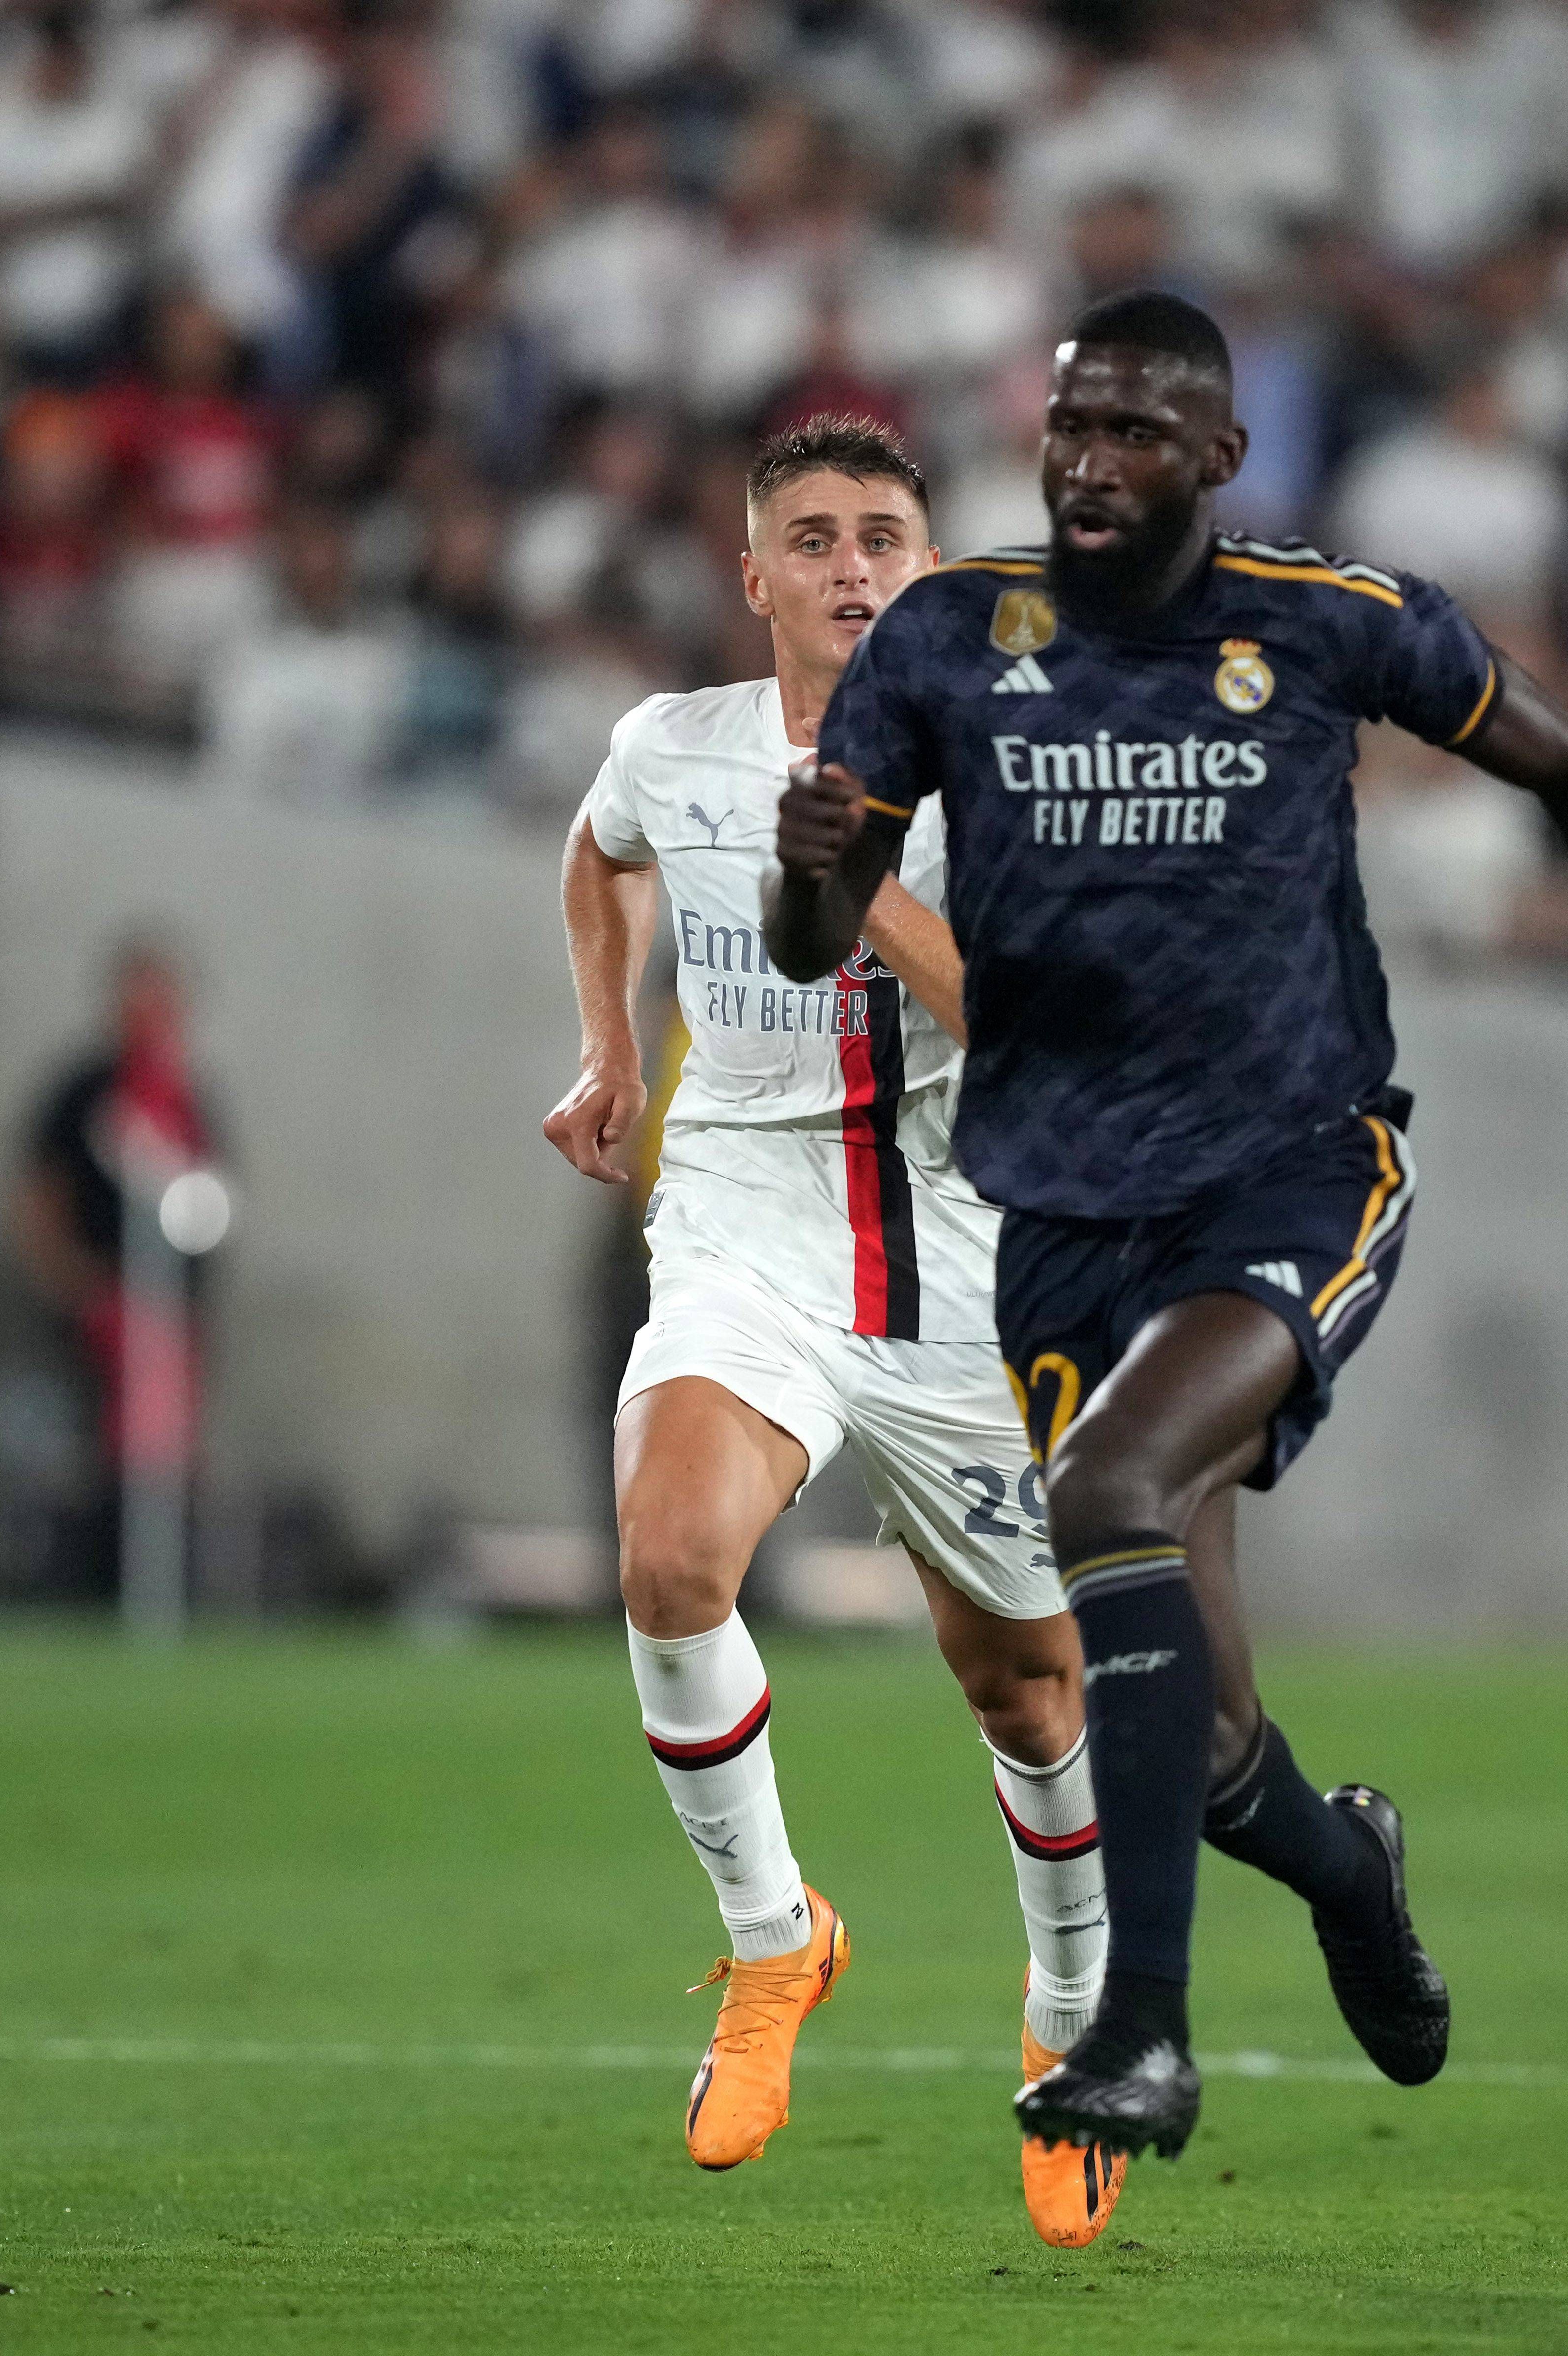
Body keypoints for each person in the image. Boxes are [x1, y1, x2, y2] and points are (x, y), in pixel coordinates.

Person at [769, 290, 1568, 2160]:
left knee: (1108, 1496)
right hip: (1064, 1204)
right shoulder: (946, 637)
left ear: (1221, 459)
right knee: (1212, 1732)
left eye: (1137, 432)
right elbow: (814, 939)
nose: (1090, 461)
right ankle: (1349, 1868)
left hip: (1294, 1169)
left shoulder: (1331, 622)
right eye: (1069, 424)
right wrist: (812, 869)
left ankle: (1144, 2037)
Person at [543, 413, 1119, 2246]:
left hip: (963, 1243)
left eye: (883, 533)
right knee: (668, 1552)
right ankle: (774, 1942)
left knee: (1021, 1680)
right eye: (813, 535)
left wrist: (858, 884)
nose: (852, 563)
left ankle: (1073, 2015)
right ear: (757, 576)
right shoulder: (677, 746)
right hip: (745, 1218)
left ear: (933, 570)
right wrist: (609, 1048)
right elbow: (599, 849)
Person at [14, 933, 229, 1595]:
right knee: (120, 1425)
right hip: (104, 1301)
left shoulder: (187, 1096)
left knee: (172, 1430)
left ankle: (172, 1572)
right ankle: (102, 1570)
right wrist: (67, 1278)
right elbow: (36, 1195)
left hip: (173, 1308)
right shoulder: (84, 1093)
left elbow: (211, 1198)